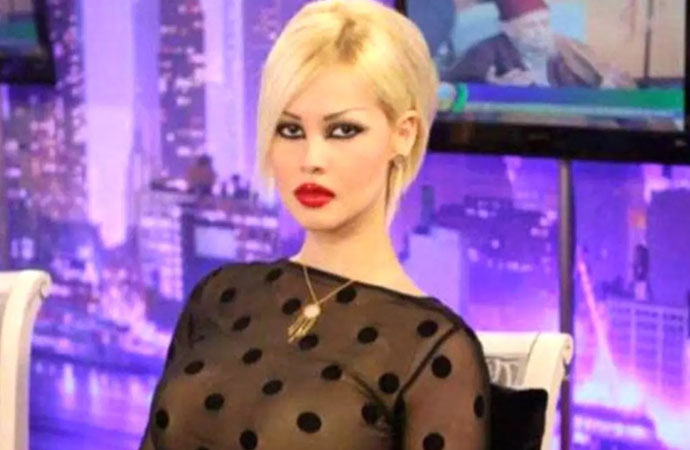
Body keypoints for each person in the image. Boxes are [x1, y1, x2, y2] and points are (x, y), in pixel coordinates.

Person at [138, 1, 491, 449]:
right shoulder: (219, 294)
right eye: (290, 130)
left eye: (342, 131)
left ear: (403, 134)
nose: (311, 159)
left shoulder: (435, 350)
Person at [442, 0, 636, 88]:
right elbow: (445, 89)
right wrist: (494, 88)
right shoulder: (484, 52)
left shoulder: (568, 46)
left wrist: (609, 88)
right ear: (508, 29)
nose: (540, 32)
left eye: (545, 23)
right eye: (530, 26)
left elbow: (602, 81)